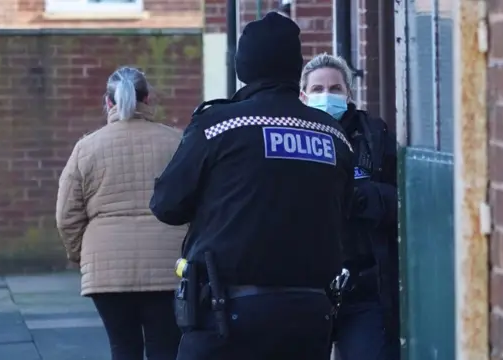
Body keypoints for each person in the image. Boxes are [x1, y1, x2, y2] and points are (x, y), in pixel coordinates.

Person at [149, 13, 354, 360]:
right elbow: (343, 212)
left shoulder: (217, 126)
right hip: (309, 314)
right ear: (295, 68)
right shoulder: (334, 135)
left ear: (243, 65)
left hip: (228, 314)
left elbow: (166, 204)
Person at [56, 66, 184, 360]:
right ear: (148, 99)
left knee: (123, 347)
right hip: (168, 265)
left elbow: (66, 215)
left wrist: (81, 255)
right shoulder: (178, 142)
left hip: (105, 268)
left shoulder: (86, 148)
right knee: (166, 347)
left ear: (109, 102)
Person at [300, 53, 399, 360]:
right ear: (303, 95)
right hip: (306, 288)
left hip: (362, 286)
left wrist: (358, 197)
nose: (326, 95)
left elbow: (402, 200)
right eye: (317, 89)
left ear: (348, 94)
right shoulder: (293, 136)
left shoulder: (372, 136)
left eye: (335, 88)